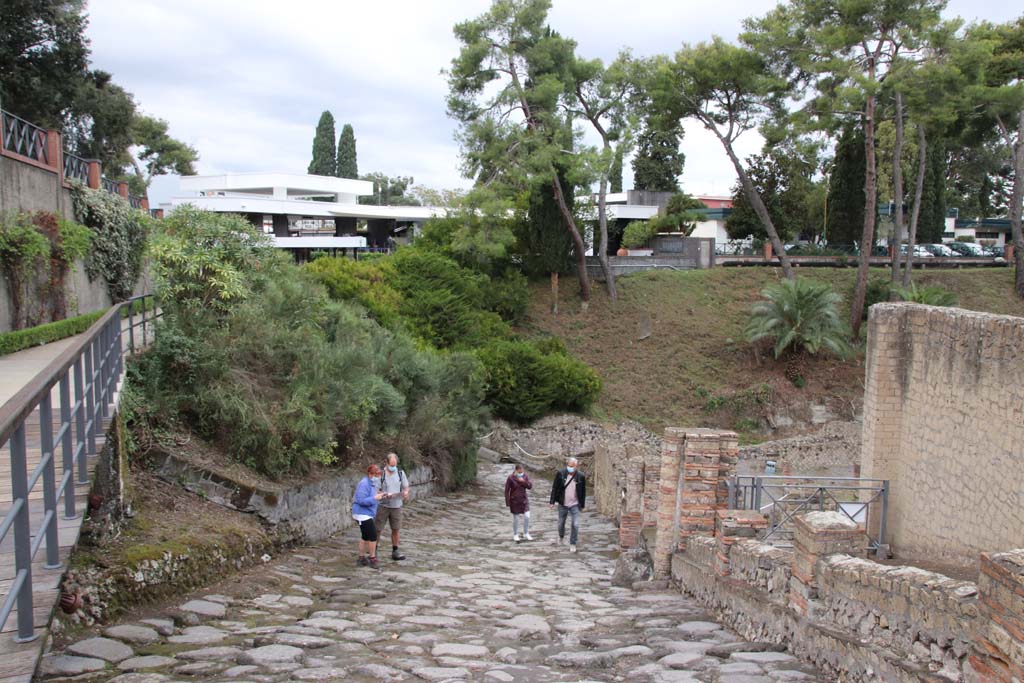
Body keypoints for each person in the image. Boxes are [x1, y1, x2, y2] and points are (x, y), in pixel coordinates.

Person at [375, 452, 410, 561]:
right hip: (383, 505)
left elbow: (406, 487)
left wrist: (405, 493)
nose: (393, 467)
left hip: (396, 505)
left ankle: (395, 550)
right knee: (378, 529)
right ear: (386, 463)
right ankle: (373, 550)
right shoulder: (381, 475)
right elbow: (376, 490)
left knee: (396, 529)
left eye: (394, 465)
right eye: (391, 465)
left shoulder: (400, 473)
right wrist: (384, 494)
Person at [549, 457, 586, 552]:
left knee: (576, 524)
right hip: (563, 503)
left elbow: (583, 491)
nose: (570, 468)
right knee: (561, 523)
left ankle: (573, 543)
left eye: (572, 466)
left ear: (576, 467)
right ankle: (561, 536)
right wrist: (552, 502)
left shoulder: (581, 476)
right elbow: (555, 488)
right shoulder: (561, 474)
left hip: (575, 504)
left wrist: (582, 505)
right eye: (568, 466)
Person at [352, 464, 386, 568]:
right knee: (372, 536)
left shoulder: (371, 483)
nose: (378, 477)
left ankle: (361, 558)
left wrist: (381, 495)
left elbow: (371, 496)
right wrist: (375, 498)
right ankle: (372, 558)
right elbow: (361, 500)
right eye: (377, 475)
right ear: (370, 474)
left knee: (365, 536)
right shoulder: (364, 483)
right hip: (362, 514)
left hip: (366, 513)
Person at [504, 464, 533, 542]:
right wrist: (508, 502)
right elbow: (507, 490)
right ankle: (515, 534)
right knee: (516, 518)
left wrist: (523, 481)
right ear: (516, 470)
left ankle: (526, 533)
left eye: (522, 471)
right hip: (514, 500)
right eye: (520, 471)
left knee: (527, 516)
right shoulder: (510, 477)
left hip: (524, 499)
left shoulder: (525, 476)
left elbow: (530, 486)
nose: (522, 472)